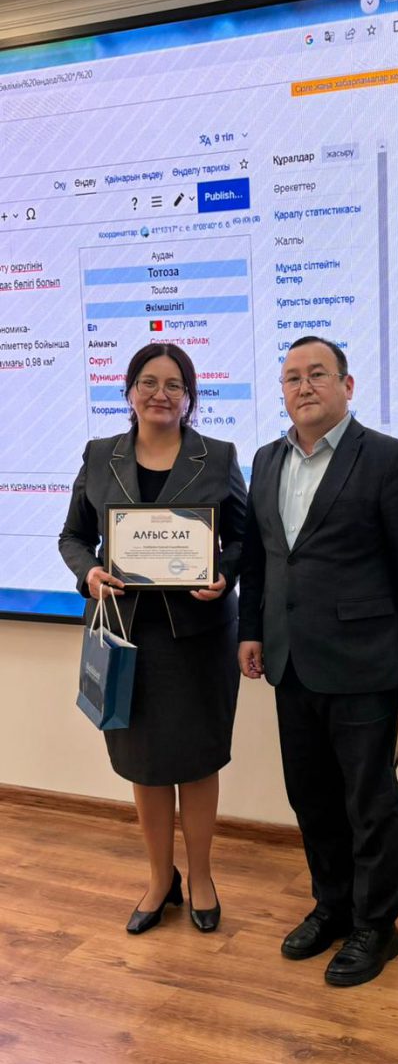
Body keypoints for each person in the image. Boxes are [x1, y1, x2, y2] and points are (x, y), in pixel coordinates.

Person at [238, 336, 398, 987]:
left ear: (347, 386)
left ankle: (377, 925)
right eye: (292, 377)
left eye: (317, 374)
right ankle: (333, 907)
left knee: (369, 800)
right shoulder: (266, 460)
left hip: (364, 659)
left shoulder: (387, 458)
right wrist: (250, 630)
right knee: (311, 797)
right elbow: (260, 556)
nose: (304, 386)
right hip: (290, 660)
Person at [59, 343, 247, 935]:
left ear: (190, 397)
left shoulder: (218, 456)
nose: (160, 394)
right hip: (125, 635)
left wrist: (225, 574)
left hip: (198, 637)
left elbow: (244, 539)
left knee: (197, 760)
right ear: (129, 391)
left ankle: (202, 878)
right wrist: (89, 573)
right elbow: (72, 537)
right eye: (148, 382)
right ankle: (160, 879)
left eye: (173, 385)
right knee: (144, 765)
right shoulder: (100, 455)